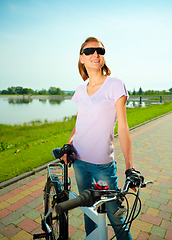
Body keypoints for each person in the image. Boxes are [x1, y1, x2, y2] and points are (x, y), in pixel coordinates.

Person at [62, 37, 142, 240]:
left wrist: (129, 167)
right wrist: (69, 144)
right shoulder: (81, 89)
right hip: (79, 162)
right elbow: (79, 122)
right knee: (89, 212)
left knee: (116, 218)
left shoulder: (115, 84)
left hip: (102, 165)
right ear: (81, 58)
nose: (95, 54)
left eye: (100, 50)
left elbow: (123, 128)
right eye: (89, 51)